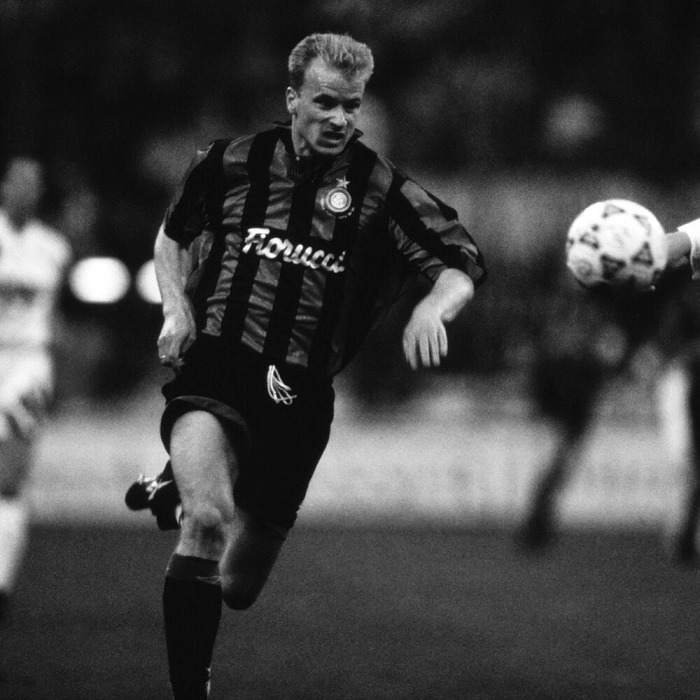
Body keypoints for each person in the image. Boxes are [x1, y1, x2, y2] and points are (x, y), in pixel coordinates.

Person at [125, 32, 486, 699]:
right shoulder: (230, 162)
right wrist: (176, 308)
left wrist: (435, 306)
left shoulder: (379, 187)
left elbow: (462, 261)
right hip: (218, 364)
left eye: (352, 105)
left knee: (238, 586)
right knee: (207, 521)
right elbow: (172, 238)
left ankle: (181, 483)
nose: (340, 118)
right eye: (325, 102)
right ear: (292, 98)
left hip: (301, 395)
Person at [0, 157, 71, 625]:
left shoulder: (53, 247)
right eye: (20, 181)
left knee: (9, 480)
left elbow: (53, 313)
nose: (28, 190)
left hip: (27, 364)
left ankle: (1, 584)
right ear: (4, 186)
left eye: (35, 183)